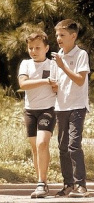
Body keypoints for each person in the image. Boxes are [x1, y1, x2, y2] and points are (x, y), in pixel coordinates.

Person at [52, 19, 91, 198]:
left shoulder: (81, 54)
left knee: (73, 145)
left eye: (62, 35)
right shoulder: (56, 57)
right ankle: (68, 184)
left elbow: (80, 80)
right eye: (57, 35)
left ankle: (81, 186)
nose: (58, 38)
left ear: (73, 36)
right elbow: (56, 84)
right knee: (62, 147)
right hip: (61, 106)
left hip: (77, 106)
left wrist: (63, 66)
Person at [18, 31, 57, 199]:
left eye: (38, 48)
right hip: (30, 110)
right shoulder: (25, 64)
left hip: (48, 109)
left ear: (46, 48)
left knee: (42, 143)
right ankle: (41, 182)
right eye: (30, 48)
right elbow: (23, 84)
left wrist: (55, 86)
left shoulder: (54, 65)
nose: (33, 51)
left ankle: (41, 182)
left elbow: (58, 87)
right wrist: (46, 82)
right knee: (35, 148)